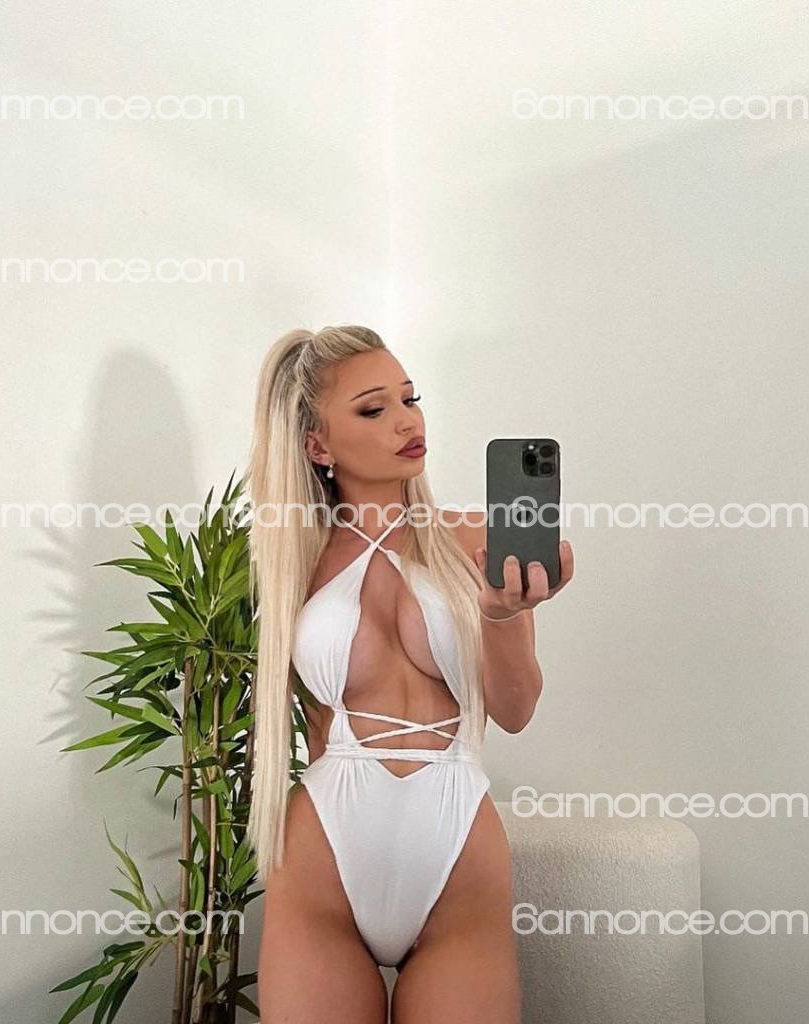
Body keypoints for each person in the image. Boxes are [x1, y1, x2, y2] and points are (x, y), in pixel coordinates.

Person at [245, 325, 574, 1023]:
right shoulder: (289, 560)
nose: (406, 421)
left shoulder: (477, 538)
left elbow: (516, 711)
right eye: (373, 409)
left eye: (410, 398)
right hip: (324, 854)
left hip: (457, 852)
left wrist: (503, 616)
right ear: (317, 446)